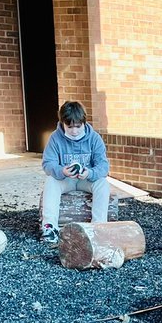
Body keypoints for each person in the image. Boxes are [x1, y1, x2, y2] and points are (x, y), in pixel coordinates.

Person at [41, 101, 111, 246]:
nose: (74, 131)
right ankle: (49, 228)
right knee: (50, 181)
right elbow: (47, 163)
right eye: (69, 127)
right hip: (65, 179)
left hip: (86, 179)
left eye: (78, 126)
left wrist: (90, 173)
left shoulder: (94, 138)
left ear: (84, 122)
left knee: (103, 184)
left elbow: (104, 166)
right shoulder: (55, 138)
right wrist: (61, 171)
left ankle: (97, 228)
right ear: (62, 123)